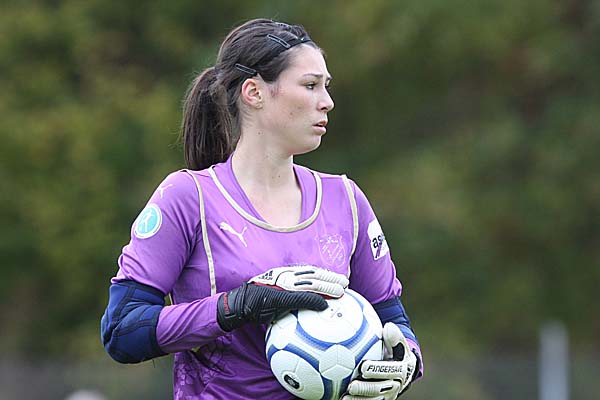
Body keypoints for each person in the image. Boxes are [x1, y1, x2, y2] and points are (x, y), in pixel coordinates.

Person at [101, 18, 423, 399]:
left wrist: (405, 363)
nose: (327, 101)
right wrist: (237, 306)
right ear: (254, 92)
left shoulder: (346, 199)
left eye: (326, 86)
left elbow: (392, 320)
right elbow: (123, 329)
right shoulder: (188, 197)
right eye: (310, 85)